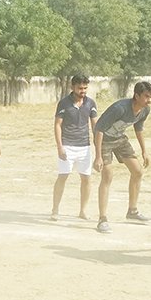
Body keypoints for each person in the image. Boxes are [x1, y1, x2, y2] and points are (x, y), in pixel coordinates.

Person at [92, 80, 151, 234]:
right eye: (146, 96)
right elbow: (99, 129)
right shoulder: (119, 108)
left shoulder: (145, 110)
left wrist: (144, 151)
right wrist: (98, 156)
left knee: (138, 171)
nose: (149, 100)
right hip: (104, 140)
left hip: (119, 139)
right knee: (107, 176)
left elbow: (138, 128)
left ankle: (132, 211)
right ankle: (102, 219)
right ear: (136, 96)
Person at [51, 74, 98, 221]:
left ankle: (83, 211)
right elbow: (57, 125)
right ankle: (55, 209)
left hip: (84, 146)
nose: (83, 91)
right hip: (67, 145)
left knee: (86, 178)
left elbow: (95, 125)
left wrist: (98, 147)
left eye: (85, 88)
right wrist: (60, 147)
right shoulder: (64, 103)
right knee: (63, 176)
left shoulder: (90, 103)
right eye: (80, 88)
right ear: (72, 87)